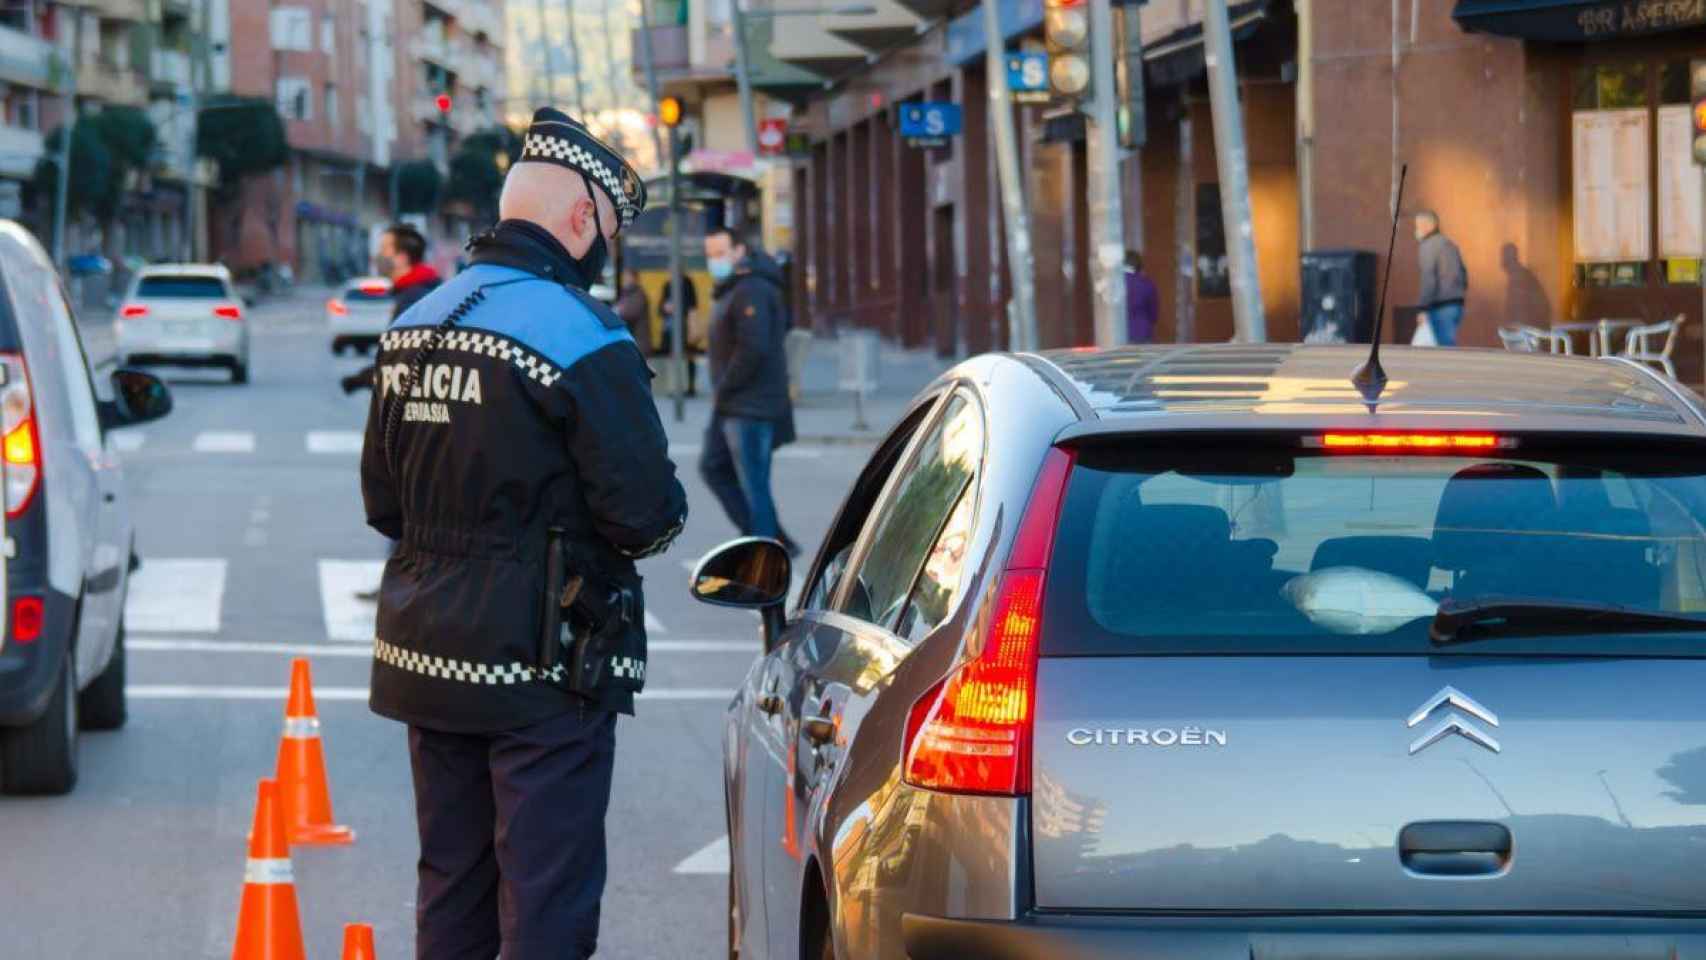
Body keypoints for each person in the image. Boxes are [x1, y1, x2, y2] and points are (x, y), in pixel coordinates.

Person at [360, 107, 687, 960]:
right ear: (582, 218)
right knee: (547, 893)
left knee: (453, 884)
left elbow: (384, 504)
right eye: (609, 229)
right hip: (547, 661)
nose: (604, 248)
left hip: (426, 650)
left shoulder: (412, 325)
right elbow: (646, 516)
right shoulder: (581, 333)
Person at [699, 224, 799, 555]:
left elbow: (754, 347)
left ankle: (765, 563)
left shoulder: (752, 289)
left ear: (739, 251)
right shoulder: (735, 286)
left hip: (749, 405)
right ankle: (765, 538)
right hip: (733, 403)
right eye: (709, 254)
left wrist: (725, 385)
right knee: (713, 467)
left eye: (720, 253)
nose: (714, 260)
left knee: (755, 486)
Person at [340, 223, 443, 395]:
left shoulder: (414, 299)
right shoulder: (421, 291)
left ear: (401, 258)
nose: (378, 255)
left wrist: (360, 379)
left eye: (383, 249)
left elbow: (401, 361)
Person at [1415, 209, 1467, 347]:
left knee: (1444, 351)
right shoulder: (1449, 244)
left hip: (1440, 306)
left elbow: (1428, 278)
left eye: (1419, 226)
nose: (1416, 230)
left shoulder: (1428, 245)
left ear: (1430, 225)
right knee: (1447, 345)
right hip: (1456, 305)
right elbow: (1464, 274)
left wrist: (1423, 308)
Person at [658, 272, 700, 395]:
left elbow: (693, 305)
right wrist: (665, 308)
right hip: (672, 327)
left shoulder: (687, 283)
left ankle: (690, 387)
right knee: (673, 357)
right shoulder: (667, 285)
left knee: (688, 355)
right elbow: (660, 308)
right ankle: (675, 387)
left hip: (686, 325)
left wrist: (679, 307)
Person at [1123, 250, 1159, 344]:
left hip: (1118, 332)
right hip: (1142, 331)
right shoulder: (1146, 283)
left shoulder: (1116, 282)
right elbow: (1153, 312)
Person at [613, 267, 650, 345]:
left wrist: (617, 311)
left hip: (638, 341)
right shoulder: (627, 293)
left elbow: (629, 313)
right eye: (625, 278)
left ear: (635, 279)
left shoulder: (638, 294)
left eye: (628, 277)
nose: (625, 280)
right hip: (632, 340)